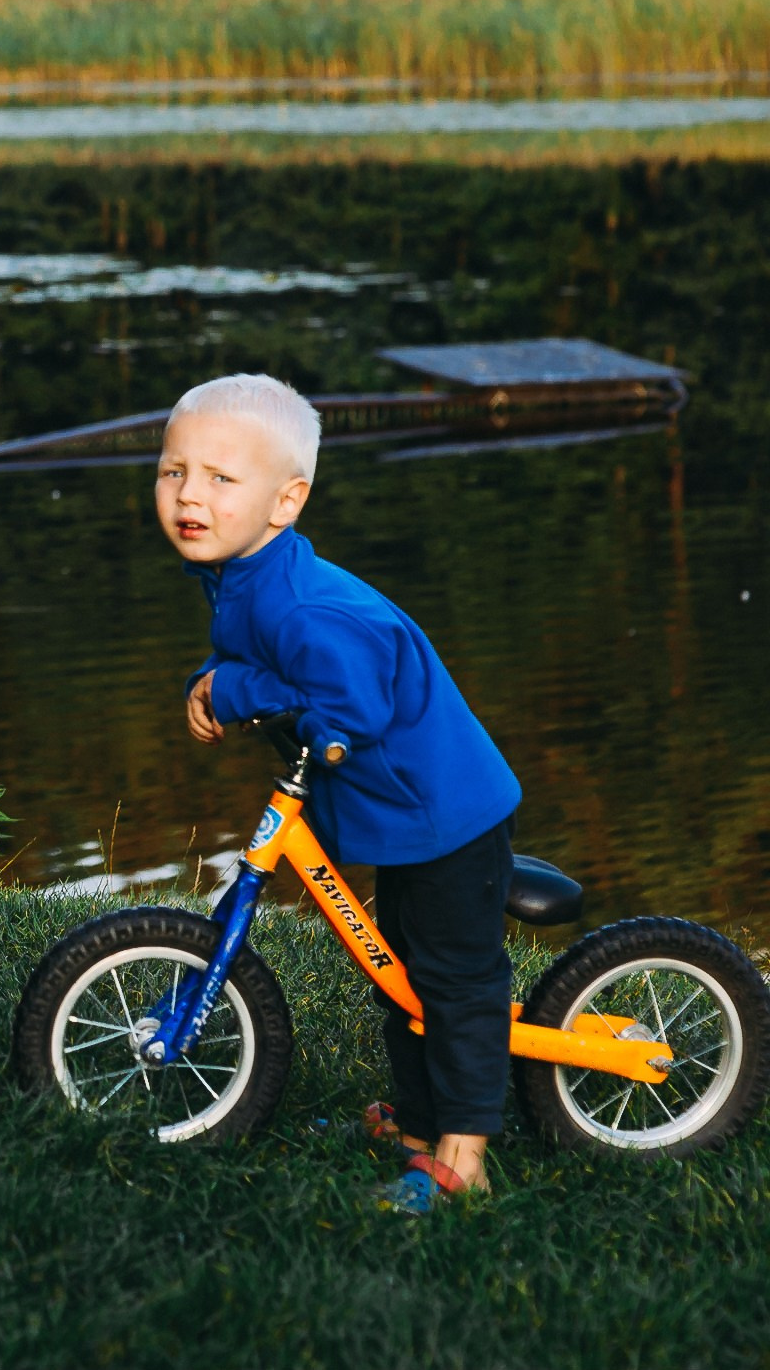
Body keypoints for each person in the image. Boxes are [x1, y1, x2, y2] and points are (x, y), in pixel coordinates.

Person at [161, 373, 522, 1215]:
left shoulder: (303, 603)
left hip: (444, 811)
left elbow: (349, 702)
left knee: (455, 977)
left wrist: (238, 692)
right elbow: (257, 663)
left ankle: (465, 1156)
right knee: (396, 971)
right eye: (173, 471)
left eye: (221, 478)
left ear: (286, 501)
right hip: (402, 813)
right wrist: (211, 679)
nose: (190, 495)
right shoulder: (243, 572)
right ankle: (418, 1119)